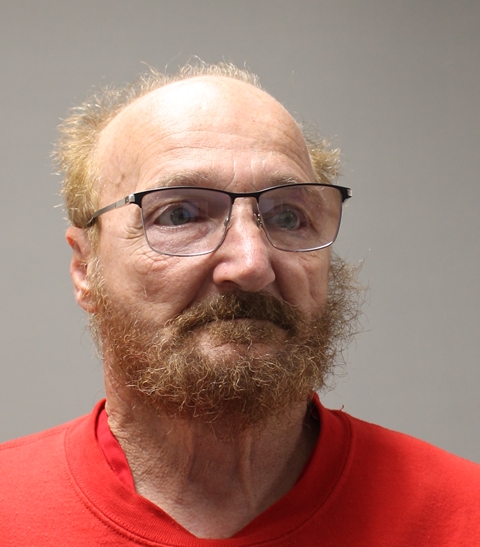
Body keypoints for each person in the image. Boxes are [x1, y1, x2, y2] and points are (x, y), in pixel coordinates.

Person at [1, 63, 479, 546]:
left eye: (288, 216)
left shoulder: (463, 515)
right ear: (85, 268)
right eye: (180, 214)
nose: (251, 265)